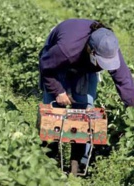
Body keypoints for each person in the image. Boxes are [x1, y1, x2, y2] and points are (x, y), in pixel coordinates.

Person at [38, 19, 134, 175]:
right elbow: (46, 66)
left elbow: (124, 81)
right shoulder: (65, 49)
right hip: (56, 63)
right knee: (54, 110)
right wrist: (59, 91)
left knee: (85, 109)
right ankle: (49, 156)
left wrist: (133, 109)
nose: (104, 66)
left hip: (84, 66)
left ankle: (81, 161)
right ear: (91, 50)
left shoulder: (109, 46)